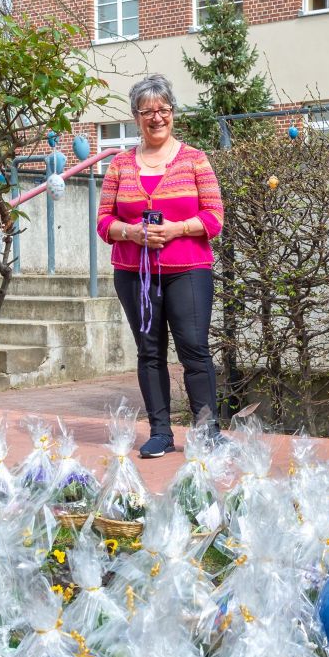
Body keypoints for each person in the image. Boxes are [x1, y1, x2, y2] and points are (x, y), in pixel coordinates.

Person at [97, 74, 224, 458]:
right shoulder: (120, 165)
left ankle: (207, 434)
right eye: (148, 111)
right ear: (136, 116)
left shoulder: (194, 159)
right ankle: (161, 433)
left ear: (173, 113)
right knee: (149, 351)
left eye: (163, 110)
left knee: (194, 350)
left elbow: (214, 217)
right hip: (135, 275)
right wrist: (132, 234)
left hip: (188, 271)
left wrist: (177, 229)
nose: (157, 118)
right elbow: (104, 222)